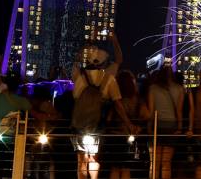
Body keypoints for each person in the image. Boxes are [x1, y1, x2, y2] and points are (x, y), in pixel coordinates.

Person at [71, 35, 138, 179]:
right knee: (94, 159)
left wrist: (89, 43)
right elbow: (118, 104)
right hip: (97, 126)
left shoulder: (79, 76)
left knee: (80, 161)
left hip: (78, 124)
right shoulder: (109, 78)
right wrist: (128, 123)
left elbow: (76, 61)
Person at [108, 71, 148, 179]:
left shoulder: (116, 99)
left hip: (115, 135)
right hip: (130, 136)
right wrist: (137, 125)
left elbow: (109, 118)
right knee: (126, 167)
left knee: (115, 168)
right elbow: (146, 115)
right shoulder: (137, 99)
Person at [147, 66, 185, 179]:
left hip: (156, 126)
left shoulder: (152, 88)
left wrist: (149, 128)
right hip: (171, 127)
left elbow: (151, 110)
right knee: (166, 163)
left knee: (154, 164)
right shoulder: (179, 89)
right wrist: (180, 127)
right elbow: (179, 111)